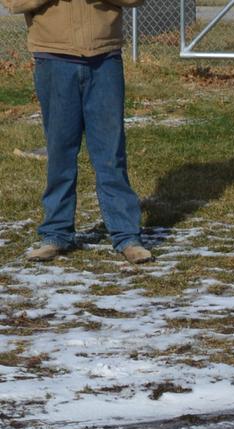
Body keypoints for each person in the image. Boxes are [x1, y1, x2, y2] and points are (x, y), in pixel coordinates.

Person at [3, 0, 152, 263]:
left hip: (104, 58)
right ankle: (56, 234)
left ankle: (127, 236)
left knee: (110, 154)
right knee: (60, 152)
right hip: (53, 57)